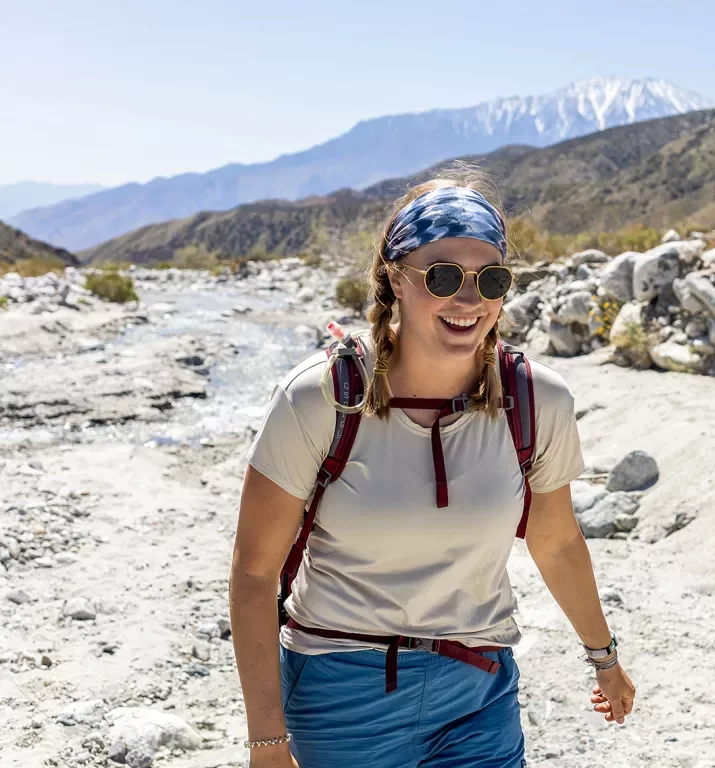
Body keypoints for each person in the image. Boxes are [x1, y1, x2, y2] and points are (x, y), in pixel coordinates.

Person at [229, 168, 636, 768]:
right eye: (443, 275)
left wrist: (604, 658)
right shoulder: (321, 397)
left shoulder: (537, 401)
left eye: (490, 278)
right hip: (341, 693)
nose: (469, 300)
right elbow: (255, 573)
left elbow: (556, 542)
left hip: (479, 691)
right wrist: (266, 740)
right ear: (394, 276)